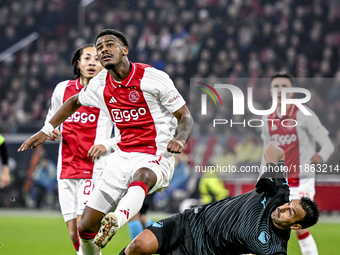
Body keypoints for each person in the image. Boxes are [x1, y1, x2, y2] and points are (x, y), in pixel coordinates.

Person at [18, 29, 194, 255]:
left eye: (109, 45)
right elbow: (74, 102)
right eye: (99, 48)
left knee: (144, 176)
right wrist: (47, 128)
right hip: (120, 158)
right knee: (85, 227)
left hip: (156, 152)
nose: (103, 50)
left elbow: (185, 116)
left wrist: (180, 139)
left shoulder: (153, 77)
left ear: (125, 50)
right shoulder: (100, 84)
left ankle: (116, 221)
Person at [120, 141, 320, 255]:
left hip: (201, 252)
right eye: (288, 205)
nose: (283, 208)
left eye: (290, 212)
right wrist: (269, 170)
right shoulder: (278, 193)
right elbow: (275, 150)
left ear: (296, 226)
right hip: (190, 221)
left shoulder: (274, 248)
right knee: (138, 246)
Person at [43, 44, 112, 254]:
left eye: (97, 59)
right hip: (66, 169)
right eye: (87, 58)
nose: (92, 63)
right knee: (73, 234)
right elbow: (51, 119)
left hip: (93, 169)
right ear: (78, 62)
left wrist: (106, 145)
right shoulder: (62, 89)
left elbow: (126, 132)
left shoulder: (110, 93)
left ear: (104, 65)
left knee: (84, 228)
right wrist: (50, 131)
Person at [261, 71, 334, 255]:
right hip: (279, 182)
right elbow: (266, 153)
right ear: (270, 91)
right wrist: (263, 179)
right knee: (264, 224)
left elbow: (327, 143)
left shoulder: (304, 115)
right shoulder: (266, 118)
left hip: (302, 180)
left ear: (292, 91)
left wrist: (322, 155)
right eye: (276, 86)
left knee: (298, 225)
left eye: (284, 87)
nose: (280, 90)